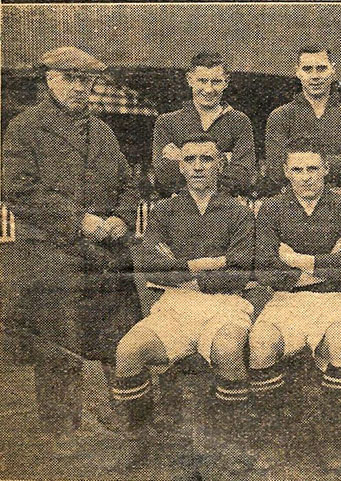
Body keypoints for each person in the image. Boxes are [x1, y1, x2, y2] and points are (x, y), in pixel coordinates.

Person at [1, 46, 141, 456]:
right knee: (60, 342)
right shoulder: (25, 127)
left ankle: (123, 416)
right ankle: (62, 430)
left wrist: (120, 216)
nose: (81, 88)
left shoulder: (102, 130)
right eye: (71, 79)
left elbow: (127, 181)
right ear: (49, 79)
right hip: (53, 252)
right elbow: (19, 189)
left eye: (87, 80)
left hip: (106, 253)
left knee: (118, 337)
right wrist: (79, 221)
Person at [110, 134, 255, 468]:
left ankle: (230, 440)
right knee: (128, 351)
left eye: (207, 158)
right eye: (190, 159)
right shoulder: (162, 211)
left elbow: (241, 268)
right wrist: (212, 262)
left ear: (221, 163)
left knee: (228, 350)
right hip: (175, 305)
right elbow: (152, 269)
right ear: (180, 165)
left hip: (225, 303)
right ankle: (142, 437)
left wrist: (182, 264)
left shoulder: (239, 212)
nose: (199, 167)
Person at [249, 138, 341, 471]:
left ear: (326, 169)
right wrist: (326, 262)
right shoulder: (271, 208)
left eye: (313, 168)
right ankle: (273, 440)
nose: (306, 177)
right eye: (297, 169)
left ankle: (335, 439)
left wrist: (296, 259)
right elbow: (266, 269)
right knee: (260, 343)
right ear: (286, 172)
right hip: (286, 300)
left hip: (334, 299)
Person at [262, 46, 341, 197]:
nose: (315, 76)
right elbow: (277, 170)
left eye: (321, 68)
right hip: (294, 208)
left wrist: (299, 165)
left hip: (340, 206)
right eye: (307, 69)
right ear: (297, 71)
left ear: (332, 70)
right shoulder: (281, 116)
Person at [152, 51, 256, 197]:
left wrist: (182, 158)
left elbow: (243, 178)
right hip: (181, 211)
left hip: (224, 210)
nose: (208, 89)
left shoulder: (239, 121)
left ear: (226, 82)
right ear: (190, 79)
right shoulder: (167, 122)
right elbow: (163, 178)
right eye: (202, 81)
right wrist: (223, 160)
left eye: (216, 82)